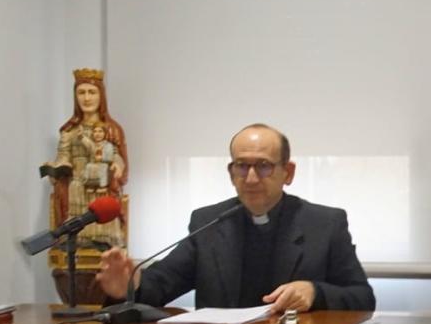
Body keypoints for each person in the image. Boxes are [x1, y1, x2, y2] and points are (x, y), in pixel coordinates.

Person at [95, 124, 376, 314]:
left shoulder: (325, 224)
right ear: (231, 172)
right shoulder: (209, 222)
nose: (251, 178)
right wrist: (129, 286)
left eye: (263, 166)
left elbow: (363, 298)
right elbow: (163, 283)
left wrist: (315, 292)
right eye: (242, 166)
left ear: (287, 172)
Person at [41, 68, 128, 250]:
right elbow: (63, 156)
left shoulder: (111, 129)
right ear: (75, 97)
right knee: (74, 188)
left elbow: (118, 156)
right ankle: (76, 239)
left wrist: (117, 166)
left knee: (103, 202)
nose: (86, 98)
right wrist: (56, 167)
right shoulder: (69, 131)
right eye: (81, 92)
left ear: (100, 96)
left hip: (102, 181)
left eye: (92, 92)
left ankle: (103, 239)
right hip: (78, 180)